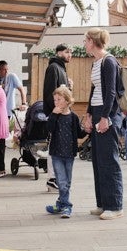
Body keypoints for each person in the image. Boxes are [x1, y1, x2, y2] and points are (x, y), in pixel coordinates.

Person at [81, 28, 124, 220]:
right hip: (98, 111)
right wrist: (90, 114)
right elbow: (94, 91)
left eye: (85, 40)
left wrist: (106, 117)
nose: (84, 43)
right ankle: (103, 203)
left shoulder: (109, 61)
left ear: (92, 41)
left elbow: (111, 92)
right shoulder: (96, 62)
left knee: (109, 160)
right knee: (98, 160)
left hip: (108, 113)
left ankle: (115, 206)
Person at [45, 85, 82, 218]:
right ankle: (67, 206)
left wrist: (89, 130)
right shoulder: (54, 116)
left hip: (69, 155)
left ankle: (60, 204)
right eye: (55, 100)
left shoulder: (73, 117)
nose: (56, 102)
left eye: (59, 99)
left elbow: (79, 133)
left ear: (67, 100)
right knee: (61, 181)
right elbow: (49, 128)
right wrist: (54, 114)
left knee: (67, 182)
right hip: (56, 155)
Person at [43, 44, 71, 190]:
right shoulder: (53, 68)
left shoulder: (61, 68)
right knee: (54, 145)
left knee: (58, 144)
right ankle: (52, 178)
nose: (70, 54)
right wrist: (56, 111)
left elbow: (62, 93)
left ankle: (55, 178)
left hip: (61, 113)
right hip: (56, 114)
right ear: (59, 53)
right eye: (67, 52)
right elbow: (50, 92)